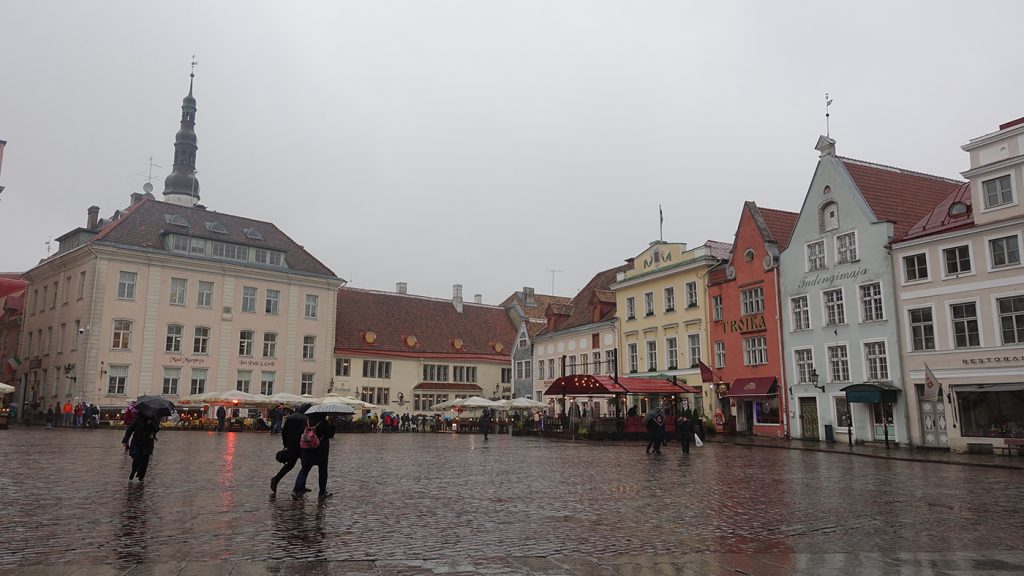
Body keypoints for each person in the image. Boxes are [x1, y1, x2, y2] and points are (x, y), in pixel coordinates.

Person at [293, 412, 336, 500]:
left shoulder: (307, 421)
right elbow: (330, 434)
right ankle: (322, 492)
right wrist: (332, 424)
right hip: (321, 451)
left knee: (304, 470)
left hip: (307, 450)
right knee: (322, 471)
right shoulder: (324, 423)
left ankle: (296, 490)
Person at [271, 403, 312, 494]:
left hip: (291, 445)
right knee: (305, 466)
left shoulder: (291, 417)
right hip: (302, 446)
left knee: (290, 465)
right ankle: (300, 485)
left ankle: (276, 479)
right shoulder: (306, 419)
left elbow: (284, 431)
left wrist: (286, 443)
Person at [122, 413, 161, 481]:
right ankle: (133, 471)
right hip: (137, 442)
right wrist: (125, 440)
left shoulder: (155, 418)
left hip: (147, 443)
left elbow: (156, 429)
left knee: (145, 462)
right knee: (136, 458)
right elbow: (130, 429)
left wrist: (151, 423)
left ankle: (141, 476)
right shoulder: (138, 418)